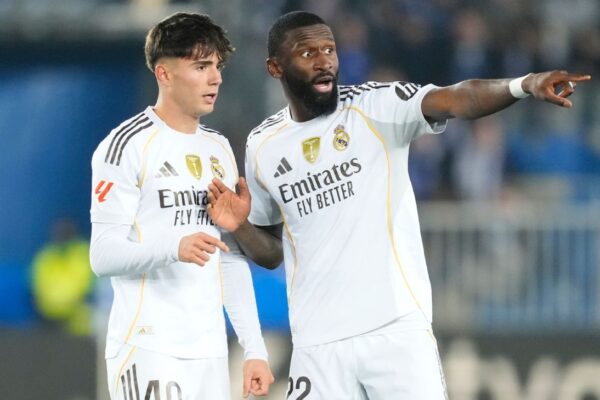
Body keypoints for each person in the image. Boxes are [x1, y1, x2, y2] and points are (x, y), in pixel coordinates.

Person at [206, 11, 591, 400]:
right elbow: (272, 252)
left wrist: (523, 85)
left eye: (329, 49)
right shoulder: (264, 145)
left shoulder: (377, 106)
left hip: (395, 331)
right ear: (275, 67)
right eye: (308, 53)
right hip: (317, 344)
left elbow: (458, 97)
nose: (324, 61)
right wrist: (240, 226)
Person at [89, 12, 273, 400]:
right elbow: (102, 256)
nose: (215, 78)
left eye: (218, 66)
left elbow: (227, 258)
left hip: (209, 353)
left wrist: (254, 348)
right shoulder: (126, 146)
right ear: (164, 74)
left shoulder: (218, 148)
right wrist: (174, 247)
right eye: (201, 66)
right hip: (149, 346)